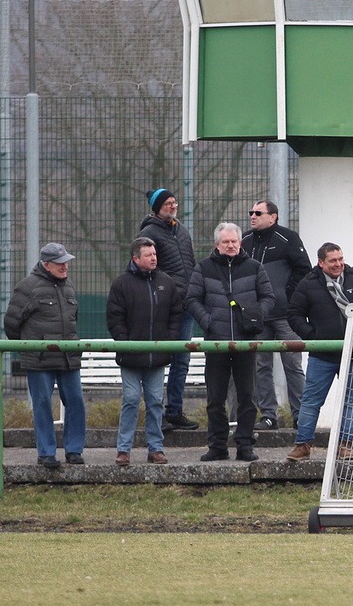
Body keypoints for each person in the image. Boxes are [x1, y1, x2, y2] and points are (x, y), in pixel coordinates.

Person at [185, 222, 275, 462]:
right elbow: (192, 299)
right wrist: (209, 322)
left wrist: (257, 315)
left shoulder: (255, 268)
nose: (231, 245)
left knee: (248, 396)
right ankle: (217, 445)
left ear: (240, 242)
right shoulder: (203, 268)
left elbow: (268, 297)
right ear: (217, 244)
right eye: (226, 242)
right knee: (215, 398)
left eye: (234, 241)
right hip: (216, 343)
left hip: (247, 342)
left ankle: (245, 444)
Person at [286, 243, 353, 462]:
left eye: (341, 259)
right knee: (311, 400)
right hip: (323, 354)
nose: (339, 264)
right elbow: (294, 314)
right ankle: (303, 445)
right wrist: (313, 338)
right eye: (333, 260)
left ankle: (345, 446)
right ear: (321, 263)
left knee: (351, 401)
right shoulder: (307, 285)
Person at [105, 236, 185, 466]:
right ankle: (124, 450)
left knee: (155, 401)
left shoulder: (166, 282)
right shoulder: (122, 284)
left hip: (157, 357)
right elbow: (114, 317)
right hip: (131, 356)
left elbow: (175, 313)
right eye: (149, 255)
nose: (153, 258)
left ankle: (156, 449)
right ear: (135, 258)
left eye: (155, 254)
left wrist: (168, 340)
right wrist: (125, 342)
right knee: (130, 399)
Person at [4, 243, 82, 469]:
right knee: (42, 404)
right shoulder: (27, 287)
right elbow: (11, 323)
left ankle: (74, 450)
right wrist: (29, 347)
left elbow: (73, 318)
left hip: (69, 357)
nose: (65, 266)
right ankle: (46, 453)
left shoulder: (69, 286)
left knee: (76, 402)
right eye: (60, 263)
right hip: (39, 360)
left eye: (66, 261)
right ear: (46, 265)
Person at [240, 199, 313, 429]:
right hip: (259, 316)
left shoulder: (288, 238)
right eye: (251, 212)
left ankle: (301, 416)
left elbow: (304, 270)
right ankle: (268, 416)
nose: (253, 216)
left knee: (292, 364)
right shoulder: (245, 241)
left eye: (258, 213)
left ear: (273, 217)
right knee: (261, 366)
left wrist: (288, 296)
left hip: (285, 315)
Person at [139, 188, 199, 431]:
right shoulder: (148, 233)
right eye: (168, 203)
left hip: (186, 305)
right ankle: (156, 414)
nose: (173, 206)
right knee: (159, 359)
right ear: (157, 208)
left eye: (174, 202)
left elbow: (190, 263)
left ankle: (174, 411)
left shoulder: (181, 230)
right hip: (163, 307)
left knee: (181, 360)